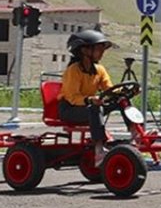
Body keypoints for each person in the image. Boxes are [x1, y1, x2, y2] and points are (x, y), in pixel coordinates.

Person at [56, 29, 131, 161]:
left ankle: (137, 133)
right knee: (94, 109)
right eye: (99, 49)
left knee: (122, 100)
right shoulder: (73, 70)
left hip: (90, 106)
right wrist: (90, 100)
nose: (102, 53)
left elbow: (109, 89)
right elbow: (72, 98)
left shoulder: (99, 70)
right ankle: (99, 149)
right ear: (85, 51)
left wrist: (125, 92)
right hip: (69, 109)